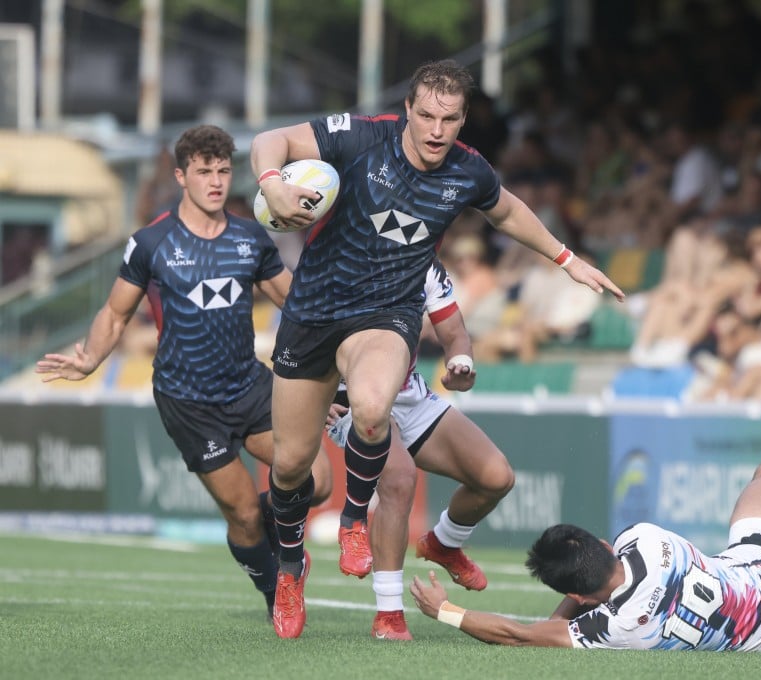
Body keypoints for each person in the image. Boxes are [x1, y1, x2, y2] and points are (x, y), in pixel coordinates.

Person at [248, 59, 624, 639]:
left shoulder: (469, 172)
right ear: (408, 110)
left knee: (374, 406)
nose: (435, 129)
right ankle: (292, 566)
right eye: (425, 115)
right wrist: (273, 180)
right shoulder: (361, 138)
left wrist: (567, 260)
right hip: (311, 316)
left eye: (449, 119)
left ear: (462, 120)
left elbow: (509, 212)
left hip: (385, 317)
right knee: (291, 465)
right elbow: (273, 139)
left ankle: (353, 522)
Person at [411, 342, 761, 649]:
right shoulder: (643, 541)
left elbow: (519, 633)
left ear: (579, 597)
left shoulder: (612, 628)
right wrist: (460, 611)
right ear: (603, 542)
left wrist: (448, 612)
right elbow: (542, 620)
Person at [34, 125, 333, 620]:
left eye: (222, 171)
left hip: (249, 385)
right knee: (240, 513)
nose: (215, 181)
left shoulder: (248, 236)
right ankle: (273, 585)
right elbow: (115, 314)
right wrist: (90, 356)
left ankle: (277, 528)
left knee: (318, 482)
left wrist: (333, 364)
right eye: (203, 171)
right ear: (181, 176)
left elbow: (296, 303)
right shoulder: (151, 243)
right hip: (188, 400)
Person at [325, 257, 514, 640]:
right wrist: (311, 395)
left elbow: (455, 333)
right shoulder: (334, 258)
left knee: (496, 477)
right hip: (352, 403)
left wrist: (460, 363)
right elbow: (299, 337)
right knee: (399, 479)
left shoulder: (423, 263)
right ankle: (389, 614)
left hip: (412, 397)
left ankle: (444, 544)